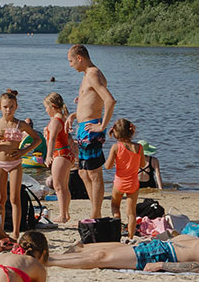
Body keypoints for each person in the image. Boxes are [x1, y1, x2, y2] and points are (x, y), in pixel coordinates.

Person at [52, 231, 199, 273]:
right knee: (96, 250)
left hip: (162, 256)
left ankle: (50, 261)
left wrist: (164, 266)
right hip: (162, 246)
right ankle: (57, 257)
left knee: (101, 259)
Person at [71, 45, 117, 220]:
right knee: (83, 172)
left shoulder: (92, 74)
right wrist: (74, 115)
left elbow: (109, 101)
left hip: (92, 129)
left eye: (71, 61)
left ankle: (95, 214)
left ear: (80, 58)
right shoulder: (86, 76)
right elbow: (91, 103)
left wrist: (102, 126)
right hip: (84, 129)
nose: (70, 65)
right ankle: (94, 209)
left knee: (94, 173)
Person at [0, 90, 31, 236]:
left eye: (11, 107)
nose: (8, 110)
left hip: (15, 163)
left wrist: (23, 151)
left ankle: (16, 232)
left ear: (16, 107)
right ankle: (0, 231)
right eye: (5, 107)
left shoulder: (20, 124)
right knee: (0, 198)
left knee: (15, 198)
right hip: (0, 163)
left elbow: (37, 139)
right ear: (0, 107)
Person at [42, 93, 76, 225]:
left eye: (46, 107)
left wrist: (48, 155)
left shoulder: (56, 120)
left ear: (53, 106)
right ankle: (65, 213)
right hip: (66, 153)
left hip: (60, 153)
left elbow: (53, 139)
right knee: (63, 186)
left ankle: (62, 214)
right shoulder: (62, 118)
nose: (46, 110)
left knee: (58, 186)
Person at [107, 119, 145, 221]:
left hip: (120, 182)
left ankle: (117, 227)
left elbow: (108, 166)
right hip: (133, 183)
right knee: (132, 212)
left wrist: (115, 162)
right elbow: (142, 164)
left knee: (115, 206)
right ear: (131, 131)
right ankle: (131, 236)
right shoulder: (139, 147)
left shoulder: (116, 147)